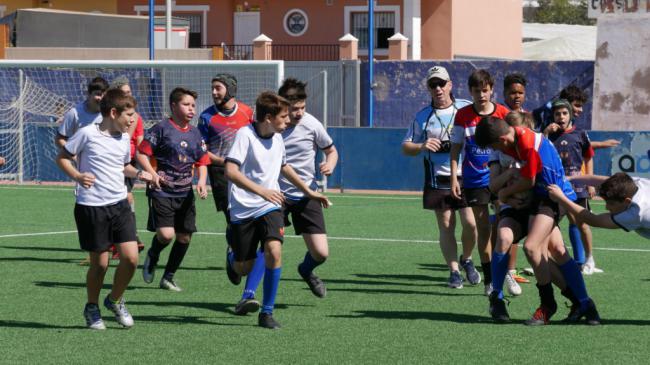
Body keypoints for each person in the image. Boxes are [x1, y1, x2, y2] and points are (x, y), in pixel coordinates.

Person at [475, 117, 600, 325]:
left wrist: (505, 193)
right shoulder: (514, 140)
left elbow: (529, 180)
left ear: (503, 138)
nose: (494, 150)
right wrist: (506, 194)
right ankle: (584, 304)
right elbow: (503, 182)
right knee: (556, 250)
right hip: (539, 198)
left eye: (494, 146)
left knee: (533, 248)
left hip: (553, 196)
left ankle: (548, 305)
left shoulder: (526, 143)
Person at [224, 91, 331, 329]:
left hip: (270, 206)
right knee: (244, 267)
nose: (288, 121)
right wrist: (262, 191)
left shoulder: (278, 137)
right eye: (284, 117)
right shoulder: (245, 135)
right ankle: (232, 258)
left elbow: (284, 167)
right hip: (243, 209)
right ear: (269, 117)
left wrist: (309, 191)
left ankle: (267, 313)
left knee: (274, 250)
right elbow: (230, 172)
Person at [55, 88, 153, 330]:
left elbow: (123, 167)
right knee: (99, 265)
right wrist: (78, 176)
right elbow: (62, 158)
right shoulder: (87, 134)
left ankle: (115, 300)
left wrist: (142, 174)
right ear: (113, 112)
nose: (133, 119)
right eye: (129, 114)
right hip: (91, 207)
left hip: (119, 204)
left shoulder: (123, 140)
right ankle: (92, 307)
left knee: (131, 258)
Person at [402, 66, 478, 289]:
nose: (438, 88)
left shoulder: (466, 108)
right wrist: (421, 145)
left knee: (471, 224)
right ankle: (454, 271)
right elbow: (406, 146)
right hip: (438, 178)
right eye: (433, 85)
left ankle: (468, 258)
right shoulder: (423, 116)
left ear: (450, 85)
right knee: (446, 225)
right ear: (428, 88)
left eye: (441, 83)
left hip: (467, 174)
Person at [137, 87, 209, 292]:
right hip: (162, 191)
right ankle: (153, 253)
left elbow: (202, 161)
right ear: (173, 105)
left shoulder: (196, 133)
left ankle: (168, 277)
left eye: (193, 105)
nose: (191, 109)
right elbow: (142, 154)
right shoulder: (160, 129)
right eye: (186, 104)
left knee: (185, 237)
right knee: (166, 235)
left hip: (185, 193)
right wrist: (152, 173)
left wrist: (202, 181)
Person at [450, 69, 510, 295]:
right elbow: (456, 148)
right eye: (477, 91)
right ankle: (489, 281)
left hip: (501, 179)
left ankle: (506, 272)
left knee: (503, 227)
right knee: (483, 229)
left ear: (492, 90)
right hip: (475, 180)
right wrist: (456, 177)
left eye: (485, 90)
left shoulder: (503, 113)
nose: (482, 95)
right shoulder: (463, 115)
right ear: (470, 92)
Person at [197, 73, 253, 285]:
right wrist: (224, 162)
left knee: (247, 217)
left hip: (246, 173)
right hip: (220, 174)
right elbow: (201, 149)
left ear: (230, 89)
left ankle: (239, 253)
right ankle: (234, 252)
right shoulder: (206, 117)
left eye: (218, 88)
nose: (213, 92)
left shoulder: (248, 112)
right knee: (232, 218)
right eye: (212, 88)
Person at [546, 99, 602, 274]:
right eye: (557, 114)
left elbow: (588, 157)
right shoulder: (549, 135)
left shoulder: (580, 134)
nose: (561, 117)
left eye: (564, 113)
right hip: (556, 186)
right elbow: (538, 149)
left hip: (578, 186)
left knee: (582, 222)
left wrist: (590, 182)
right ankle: (550, 258)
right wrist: (546, 132)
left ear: (570, 114)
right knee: (548, 224)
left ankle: (589, 258)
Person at [548, 172, 650, 239]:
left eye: (611, 203)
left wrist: (561, 198)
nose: (607, 207)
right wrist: (570, 178)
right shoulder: (634, 183)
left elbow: (594, 220)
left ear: (627, 201)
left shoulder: (637, 213)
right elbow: (600, 180)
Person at [109, 76, 146, 257]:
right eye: (124, 93)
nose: (128, 96)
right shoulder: (112, 116)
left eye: (129, 92)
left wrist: (144, 160)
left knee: (127, 198)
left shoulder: (135, 117)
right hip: (113, 160)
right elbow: (123, 136)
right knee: (121, 198)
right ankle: (124, 238)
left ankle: (128, 237)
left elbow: (138, 139)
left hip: (129, 161)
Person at [54, 76, 108, 149]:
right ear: (89, 94)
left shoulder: (109, 113)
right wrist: (73, 156)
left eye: (104, 95)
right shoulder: (74, 113)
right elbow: (60, 139)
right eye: (98, 94)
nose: (101, 98)